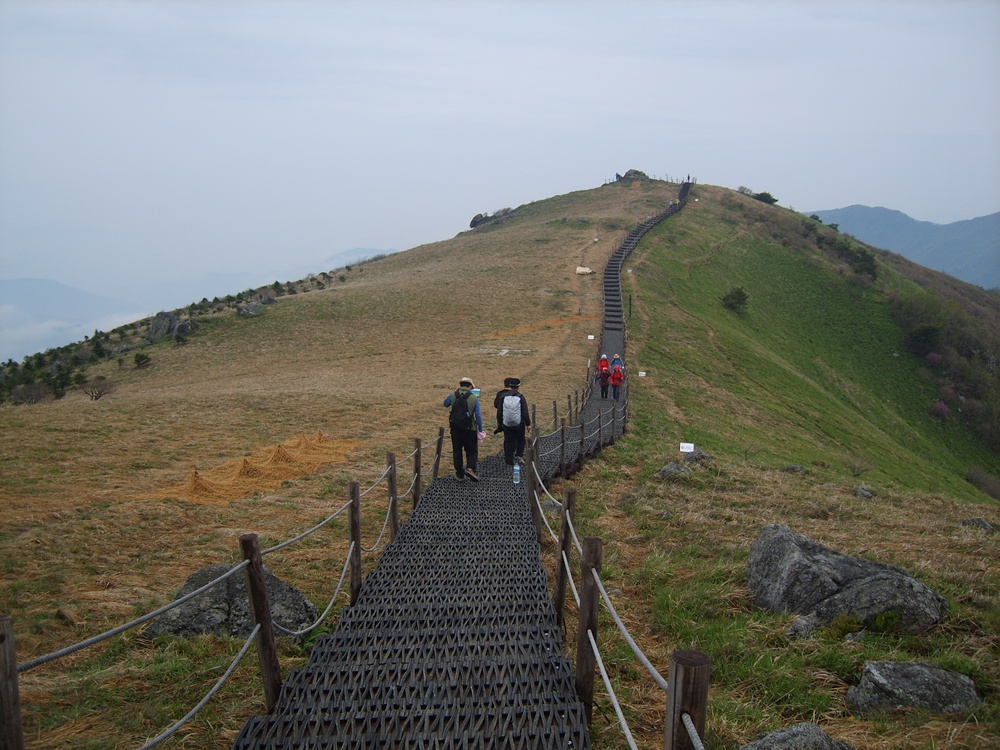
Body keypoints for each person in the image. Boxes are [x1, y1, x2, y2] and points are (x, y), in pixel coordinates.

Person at [443, 377, 483, 481]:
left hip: (455, 429)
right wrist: (480, 428)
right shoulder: (473, 398)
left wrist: (454, 392)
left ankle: (459, 474)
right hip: (470, 429)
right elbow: (478, 415)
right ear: (470, 386)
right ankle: (470, 468)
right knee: (472, 450)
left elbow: (445, 404)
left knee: (457, 451)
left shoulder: (453, 395)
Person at [493, 377, 531, 466]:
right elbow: (524, 412)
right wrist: (528, 423)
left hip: (507, 423)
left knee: (508, 441)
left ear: (510, 386)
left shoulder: (503, 397)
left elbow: (500, 412)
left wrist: (500, 423)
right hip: (519, 423)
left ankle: (508, 460)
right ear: (518, 387)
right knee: (521, 439)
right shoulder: (520, 397)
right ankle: (518, 455)